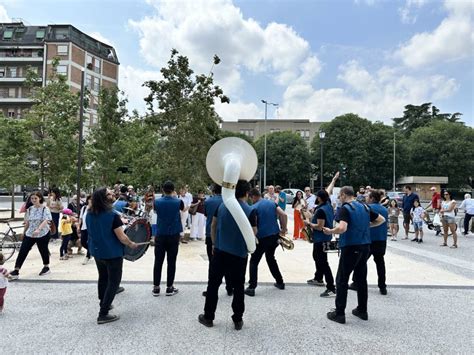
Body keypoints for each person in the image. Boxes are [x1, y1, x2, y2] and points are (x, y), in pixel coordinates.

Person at [199, 180, 257, 330]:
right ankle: (237, 319)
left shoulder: (222, 206)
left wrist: (213, 243)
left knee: (213, 285)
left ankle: (208, 317)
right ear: (247, 193)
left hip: (220, 251)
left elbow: (213, 225)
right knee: (238, 287)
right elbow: (253, 234)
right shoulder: (250, 211)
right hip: (239, 255)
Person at [322, 186, 385, 324]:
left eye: (339, 196)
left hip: (351, 246)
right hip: (365, 246)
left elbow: (342, 228)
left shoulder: (345, 208)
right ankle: (362, 310)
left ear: (344, 195)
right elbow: (381, 220)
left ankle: (339, 314)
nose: (339, 199)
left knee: (342, 279)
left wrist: (330, 231)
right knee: (361, 279)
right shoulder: (365, 207)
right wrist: (365, 226)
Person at [86, 187, 138, 324]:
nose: (112, 194)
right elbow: (122, 237)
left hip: (97, 251)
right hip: (112, 252)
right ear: (104, 198)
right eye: (109, 194)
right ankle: (103, 313)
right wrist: (131, 244)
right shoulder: (112, 215)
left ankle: (104, 303)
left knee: (103, 277)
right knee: (114, 282)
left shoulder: (89, 213)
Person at [245, 188, 287, 297]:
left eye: (251, 198)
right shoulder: (272, 203)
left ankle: (251, 287)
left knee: (254, 261)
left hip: (262, 238)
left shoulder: (253, 208)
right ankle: (280, 282)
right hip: (274, 236)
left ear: (253, 196)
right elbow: (284, 215)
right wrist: (283, 229)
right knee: (270, 258)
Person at [305, 172, 339, 296]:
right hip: (325, 238)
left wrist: (308, 223)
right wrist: (334, 179)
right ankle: (318, 278)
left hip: (321, 238)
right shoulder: (328, 204)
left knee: (323, 262)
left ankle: (331, 287)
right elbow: (328, 190)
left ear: (319, 198)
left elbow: (320, 227)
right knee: (317, 258)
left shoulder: (321, 211)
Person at [349, 190, 389, 295]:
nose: (366, 198)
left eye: (367, 197)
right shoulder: (384, 209)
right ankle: (382, 286)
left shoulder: (368, 208)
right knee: (380, 263)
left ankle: (356, 282)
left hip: (369, 239)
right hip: (381, 239)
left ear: (371, 198)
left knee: (360, 262)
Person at [9, 191, 52, 280]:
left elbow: (46, 220)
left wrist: (38, 229)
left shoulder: (45, 209)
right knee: (23, 250)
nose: (33, 200)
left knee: (43, 250)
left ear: (40, 198)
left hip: (42, 233)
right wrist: (24, 232)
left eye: (35, 198)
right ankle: (16, 270)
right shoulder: (30, 209)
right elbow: (28, 222)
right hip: (30, 233)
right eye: (32, 198)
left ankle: (46, 267)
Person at [152, 181, 184, 297]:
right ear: (173, 189)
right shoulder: (178, 201)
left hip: (160, 233)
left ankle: (156, 287)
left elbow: (156, 212)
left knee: (158, 261)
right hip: (173, 234)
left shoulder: (157, 202)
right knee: (171, 262)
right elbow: (182, 209)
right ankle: (169, 287)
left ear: (162, 189)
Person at [203, 184, 232, 297]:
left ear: (213, 190)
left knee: (212, 263)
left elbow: (206, 215)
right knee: (228, 263)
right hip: (225, 234)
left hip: (211, 235)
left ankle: (211, 289)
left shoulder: (208, 201)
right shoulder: (228, 201)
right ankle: (229, 287)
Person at [79, 195, 92, 265]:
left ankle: (87, 256)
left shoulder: (95, 209)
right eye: (90, 199)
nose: (91, 201)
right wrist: (78, 226)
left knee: (90, 242)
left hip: (91, 228)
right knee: (83, 242)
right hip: (83, 227)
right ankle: (91, 251)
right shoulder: (84, 208)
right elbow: (81, 218)